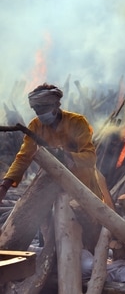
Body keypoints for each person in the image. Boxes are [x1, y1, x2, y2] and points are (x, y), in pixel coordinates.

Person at [0, 83, 105, 249]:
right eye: (36, 110)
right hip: (50, 190)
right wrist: (5, 185)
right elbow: (23, 157)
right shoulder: (35, 126)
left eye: (43, 108)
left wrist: (66, 155)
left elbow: (90, 157)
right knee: (48, 237)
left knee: (84, 240)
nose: (41, 114)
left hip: (81, 189)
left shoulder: (77, 122)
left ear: (57, 104)